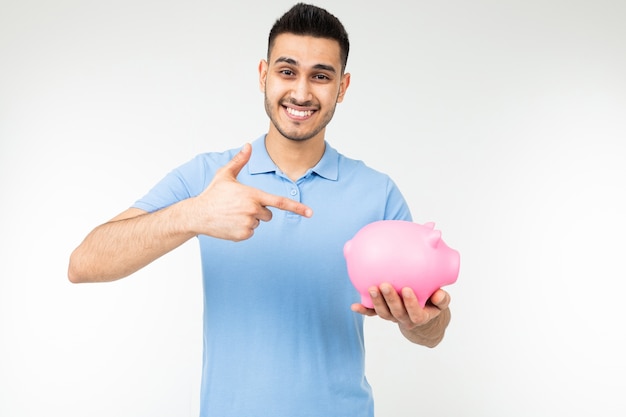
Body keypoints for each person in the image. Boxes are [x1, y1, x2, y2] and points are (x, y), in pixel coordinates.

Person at [68, 3, 451, 416]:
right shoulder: (209, 178)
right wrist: (194, 214)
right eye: (287, 71)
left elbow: (432, 331)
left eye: (320, 76)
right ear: (263, 75)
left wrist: (421, 322)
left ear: (342, 87)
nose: (301, 92)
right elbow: (83, 263)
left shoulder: (378, 193)